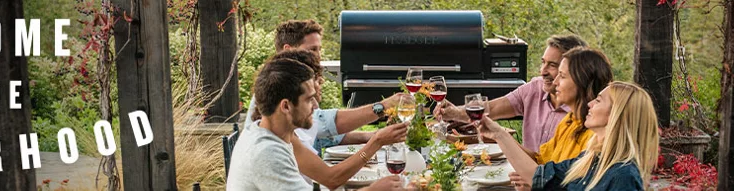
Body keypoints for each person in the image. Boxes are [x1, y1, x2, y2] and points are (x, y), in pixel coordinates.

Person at [227, 58, 401, 190]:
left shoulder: (270, 132)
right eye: (309, 99)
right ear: (286, 106)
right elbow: (330, 179)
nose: (315, 106)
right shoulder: (267, 153)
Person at [244, 20, 407, 155]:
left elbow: (318, 134)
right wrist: (382, 107)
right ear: (288, 50)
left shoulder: (296, 82)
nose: (319, 56)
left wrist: (371, 135)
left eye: (319, 49)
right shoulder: (278, 86)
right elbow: (324, 122)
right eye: (312, 50)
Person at [480, 81, 660, 190]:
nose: (590, 104)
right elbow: (538, 176)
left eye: (598, 100)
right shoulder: (592, 159)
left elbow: (536, 176)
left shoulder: (623, 176)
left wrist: (499, 134)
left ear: (617, 115)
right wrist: (498, 134)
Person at [435, 35, 588, 155]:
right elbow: (490, 109)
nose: (543, 71)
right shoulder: (534, 88)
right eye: (543, 63)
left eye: (552, 65)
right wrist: (455, 112)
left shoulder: (586, 113)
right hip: (525, 174)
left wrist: (499, 135)